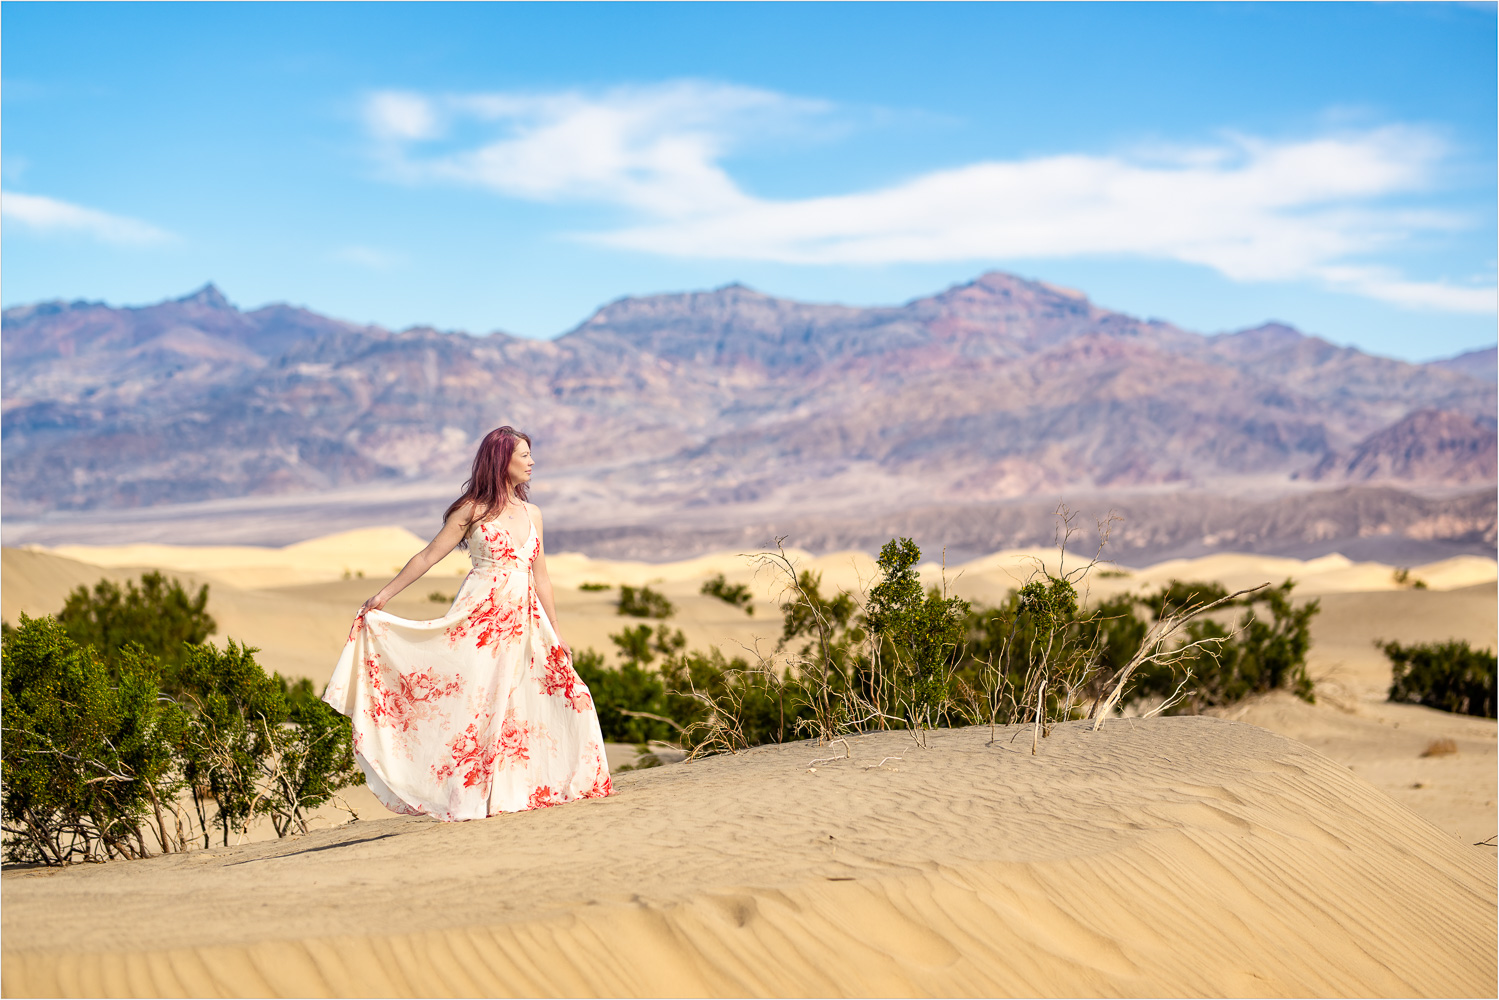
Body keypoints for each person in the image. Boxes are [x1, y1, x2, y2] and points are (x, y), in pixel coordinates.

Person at [321, 426, 612, 820]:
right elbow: (427, 556)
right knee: (477, 706)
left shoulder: (533, 514)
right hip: (480, 622)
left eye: (530, 455)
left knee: (564, 695)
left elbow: (540, 575)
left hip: (527, 619)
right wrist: (384, 596)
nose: (531, 462)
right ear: (501, 460)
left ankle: (541, 787)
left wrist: (557, 633)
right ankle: (465, 796)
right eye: (524, 455)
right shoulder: (472, 510)